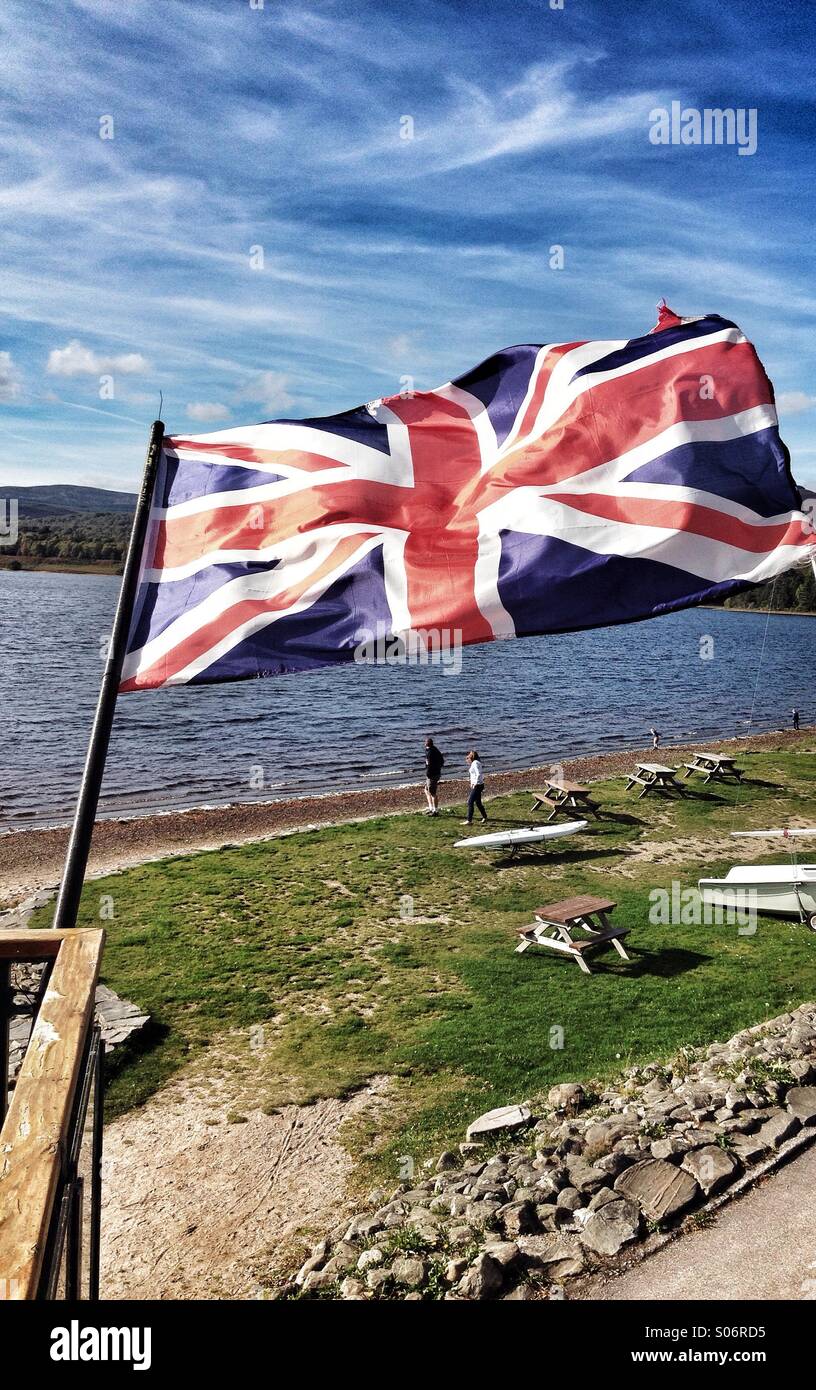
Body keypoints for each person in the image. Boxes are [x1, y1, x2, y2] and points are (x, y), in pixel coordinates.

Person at [462, 749, 488, 825]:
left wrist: (475, 783)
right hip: (479, 784)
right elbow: (474, 774)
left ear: (471, 758)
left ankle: (469, 820)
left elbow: (478, 774)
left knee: (470, 802)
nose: (467, 761)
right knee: (478, 803)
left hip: (478, 785)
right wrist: (472, 782)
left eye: (468, 759)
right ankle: (485, 817)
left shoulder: (475, 763)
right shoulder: (476, 762)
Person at [424, 737, 444, 814]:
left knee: (432, 793)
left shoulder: (430, 752)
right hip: (435, 773)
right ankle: (431, 807)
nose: (424, 743)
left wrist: (428, 774)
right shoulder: (434, 750)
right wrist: (438, 767)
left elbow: (430, 764)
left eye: (425, 742)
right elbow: (442, 761)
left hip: (432, 774)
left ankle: (435, 810)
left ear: (427, 743)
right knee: (426, 789)